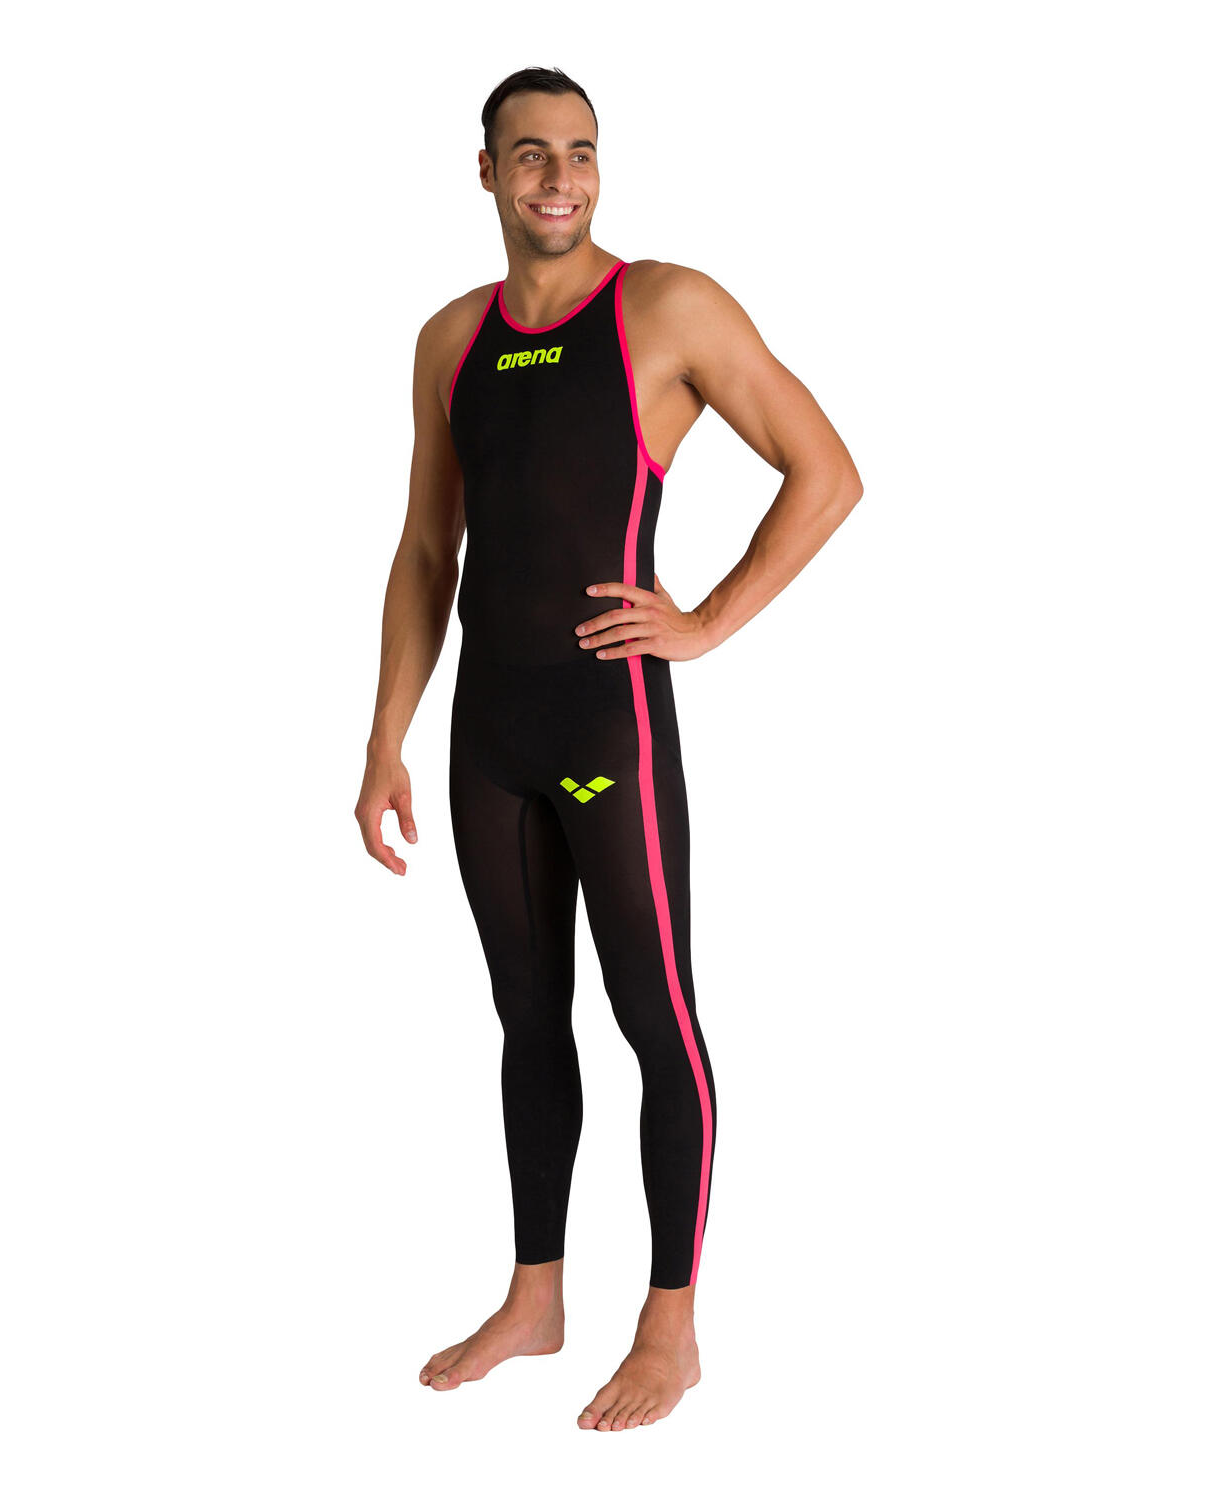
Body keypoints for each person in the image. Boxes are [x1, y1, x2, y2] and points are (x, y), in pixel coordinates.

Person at [355, 66, 863, 1432]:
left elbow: (827, 471)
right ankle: (536, 1299)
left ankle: (671, 1327)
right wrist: (387, 736)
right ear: (487, 173)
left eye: (580, 152)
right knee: (527, 1019)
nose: (559, 178)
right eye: (530, 154)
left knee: (655, 1017)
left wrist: (705, 623)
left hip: (605, 723)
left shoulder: (666, 308)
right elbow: (425, 550)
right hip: (488, 735)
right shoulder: (450, 338)